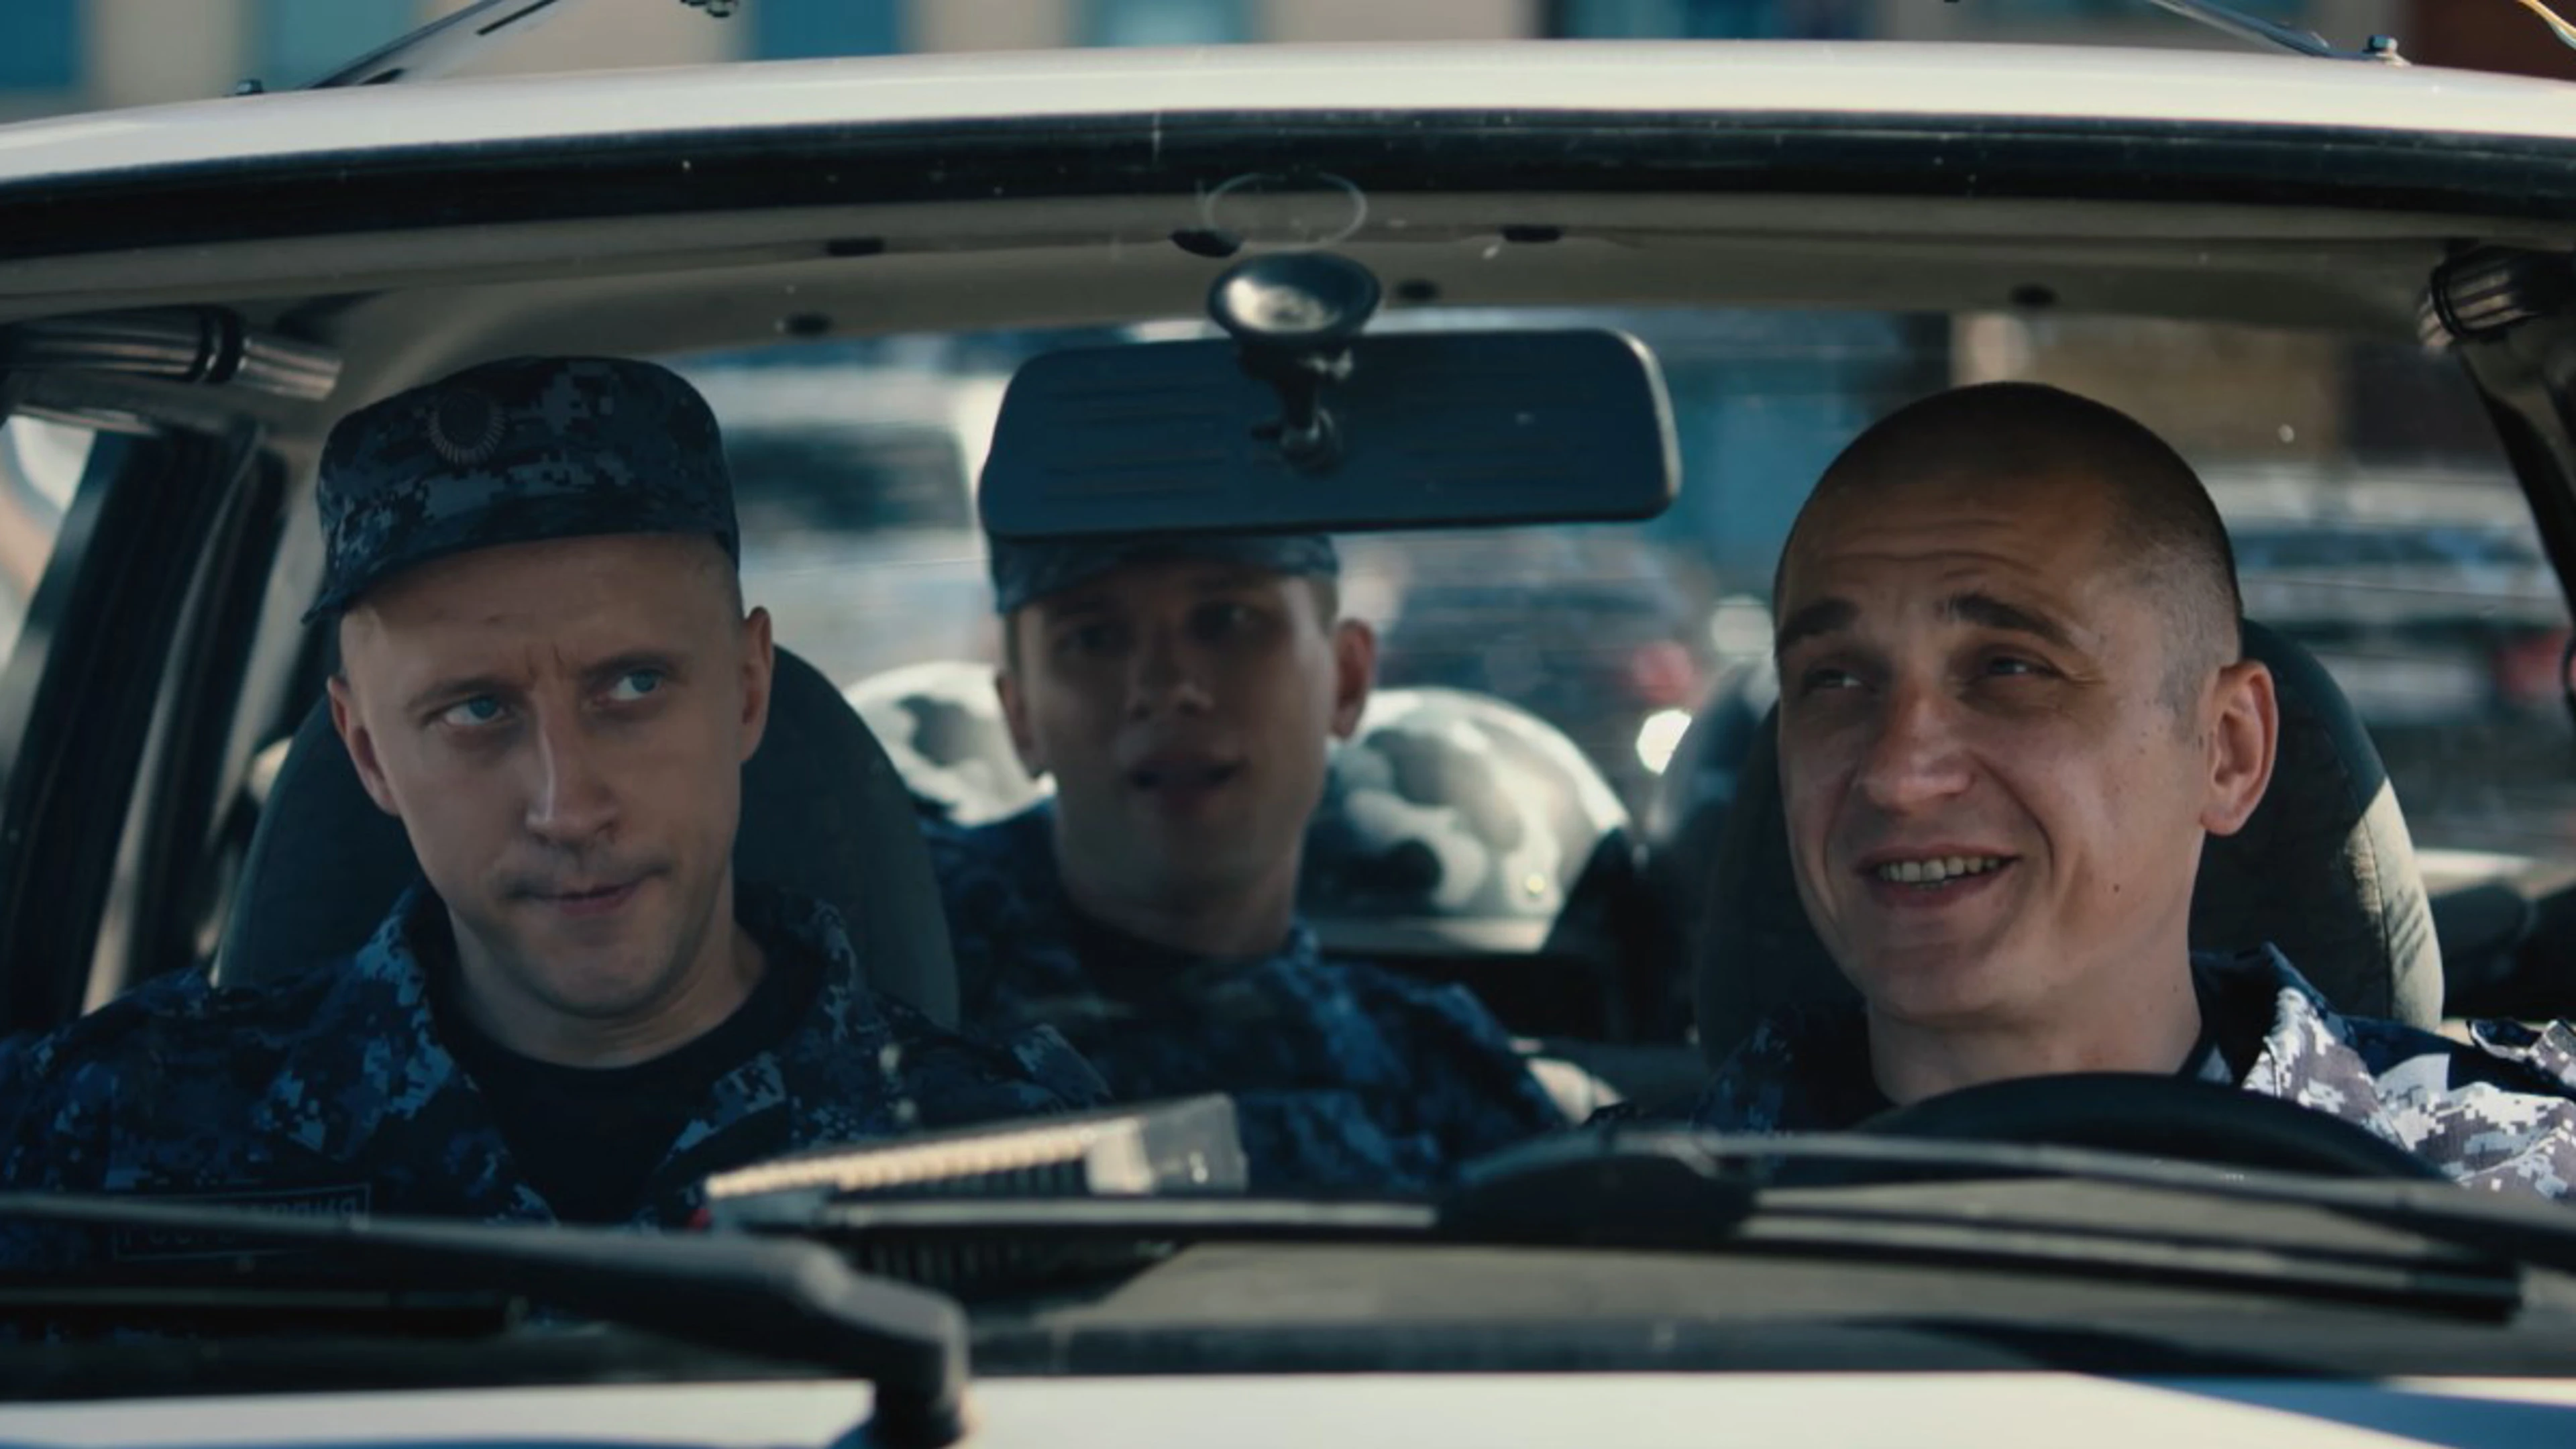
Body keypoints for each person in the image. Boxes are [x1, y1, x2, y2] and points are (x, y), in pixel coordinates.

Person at [0, 356, 1102, 1254]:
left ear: (747, 691)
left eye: (634, 687)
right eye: (477, 711)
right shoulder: (109, 1142)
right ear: (368, 752)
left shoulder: (1011, 1164)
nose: (568, 807)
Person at [1661, 381, 2576, 1198]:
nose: (1899, 775)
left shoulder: (2515, 1196)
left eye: (2010, 669)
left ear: (2228, 751)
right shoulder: (1616, 1223)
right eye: (1835, 681)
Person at [926, 533, 1567, 1193]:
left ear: (1346, 679)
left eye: (1226, 622)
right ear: (1021, 715)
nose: (1167, 688)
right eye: (1093, 639)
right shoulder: (903, 994)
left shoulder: (1432, 1066)